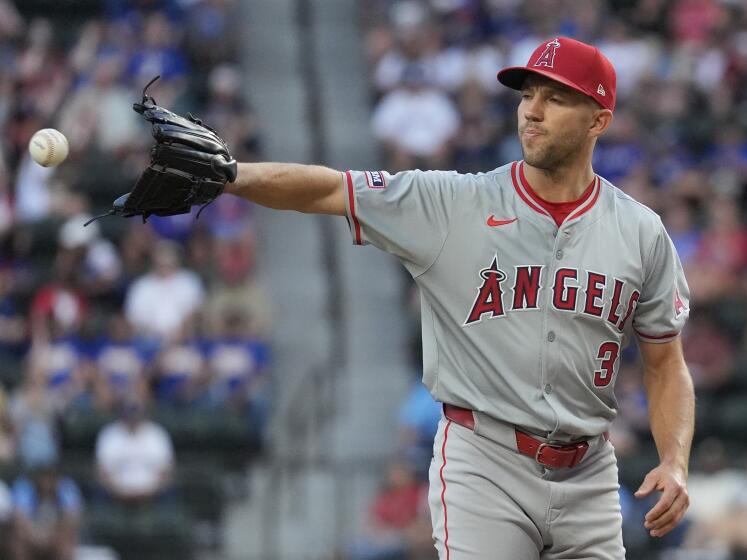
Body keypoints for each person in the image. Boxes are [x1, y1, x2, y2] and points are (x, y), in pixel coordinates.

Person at [230, 37, 696, 559]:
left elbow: (665, 364)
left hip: (589, 472)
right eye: (527, 95)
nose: (532, 112)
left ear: (598, 121)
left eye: (556, 99)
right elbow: (329, 189)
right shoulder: (456, 203)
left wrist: (674, 459)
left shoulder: (640, 232)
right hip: (485, 461)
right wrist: (231, 176)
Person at [95, 397, 175, 507]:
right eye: (129, 411)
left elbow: (166, 472)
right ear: (122, 412)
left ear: (143, 412)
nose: (132, 416)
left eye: (135, 411)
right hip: (115, 497)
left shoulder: (157, 433)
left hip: (153, 496)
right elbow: (103, 472)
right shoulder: (110, 433)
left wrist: (149, 493)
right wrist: (120, 493)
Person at [8, 461, 83, 560]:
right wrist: (36, 536)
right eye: (44, 477)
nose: (47, 482)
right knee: (17, 540)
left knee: (68, 542)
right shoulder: (24, 486)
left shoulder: (66, 487)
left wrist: (53, 535)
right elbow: (19, 518)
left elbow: (73, 517)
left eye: (51, 477)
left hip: (56, 537)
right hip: (31, 538)